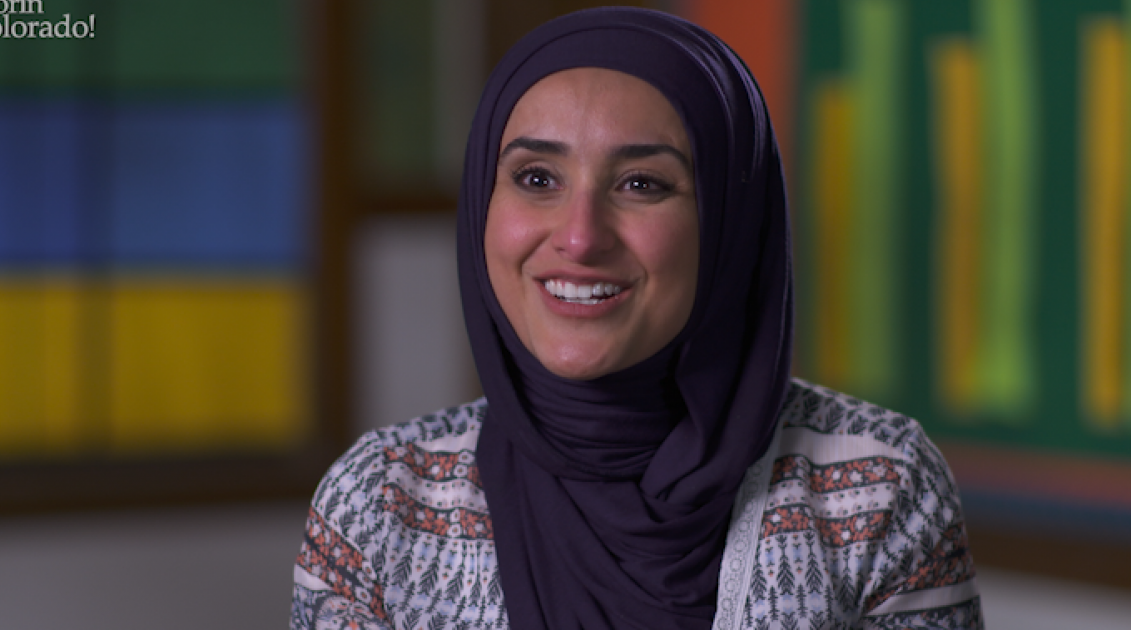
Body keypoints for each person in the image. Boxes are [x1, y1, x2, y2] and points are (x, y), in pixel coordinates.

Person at [292, 7, 982, 630]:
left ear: (730, 224)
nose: (580, 237)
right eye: (537, 178)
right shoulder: (380, 504)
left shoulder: (878, 488)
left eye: (641, 184)